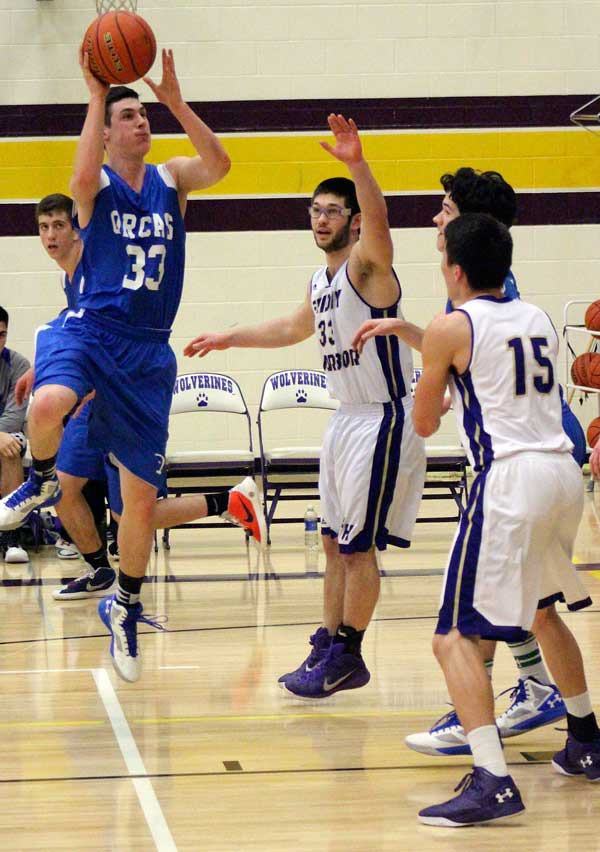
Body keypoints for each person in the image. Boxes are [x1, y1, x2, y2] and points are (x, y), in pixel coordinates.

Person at [0, 50, 262, 683]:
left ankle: (126, 603)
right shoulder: (95, 188)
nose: (140, 121)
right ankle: (40, 479)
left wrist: (176, 102)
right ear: (109, 133)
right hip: (95, 330)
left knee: (139, 505)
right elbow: (79, 174)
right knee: (43, 406)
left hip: (149, 350)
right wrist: (95, 97)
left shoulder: (171, 179)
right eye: (129, 115)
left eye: (143, 114)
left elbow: (221, 164)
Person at [184, 114, 426, 699]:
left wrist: (358, 166)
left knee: (358, 546)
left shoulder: (369, 267)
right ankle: (328, 640)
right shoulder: (321, 282)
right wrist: (229, 337)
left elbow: (382, 222)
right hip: (345, 419)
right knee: (332, 541)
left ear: (354, 220)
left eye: (332, 211)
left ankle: (350, 654)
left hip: (383, 417)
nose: (320, 220)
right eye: (315, 211)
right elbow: (292, 327)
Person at [354, 166, 585, 751]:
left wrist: (425, 372)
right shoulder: (519, 306)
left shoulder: (475, 298)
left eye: (446, 209)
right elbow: (472, 356)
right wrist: (413, 333)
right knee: (536, 607)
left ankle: (483, 732)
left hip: (516, 460)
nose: (437, 218)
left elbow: (458, 370)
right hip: (555, 462)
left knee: (470, 615)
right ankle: (578, 727)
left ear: (468, 233)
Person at [406, 213, 598, 825]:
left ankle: (492, 779)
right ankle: (586, 739)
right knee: (541, 611)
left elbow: (424, 422)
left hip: (511, 481)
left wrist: (435, 383)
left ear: (455, 270)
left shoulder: (450, 326)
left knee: (452, 637)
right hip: (563, 474)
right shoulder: (536, 315)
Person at [0, 307, 30, 564]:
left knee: (10, 447)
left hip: (7, 435)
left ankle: (12, 538)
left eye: (1, 335)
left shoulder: (19, 364)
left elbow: (14, 417)